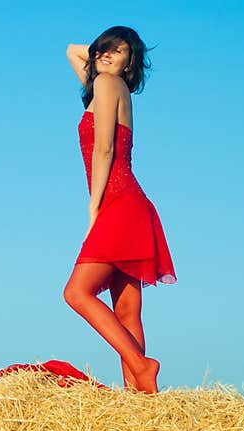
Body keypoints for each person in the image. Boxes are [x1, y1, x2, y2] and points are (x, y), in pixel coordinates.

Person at [62, 26, 177, 395]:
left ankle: (142, 366)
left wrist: (93, 209)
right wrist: (102, 50)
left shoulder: (109, 84)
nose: (108, 55)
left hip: (118, 202)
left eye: (120, 51)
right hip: (130, 203)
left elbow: (104, 150)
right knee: (127, 312)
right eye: (105, 49)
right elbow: (71, 51)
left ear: (131, 64)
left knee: (77, 293)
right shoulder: (108, 85)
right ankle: (140, 399)